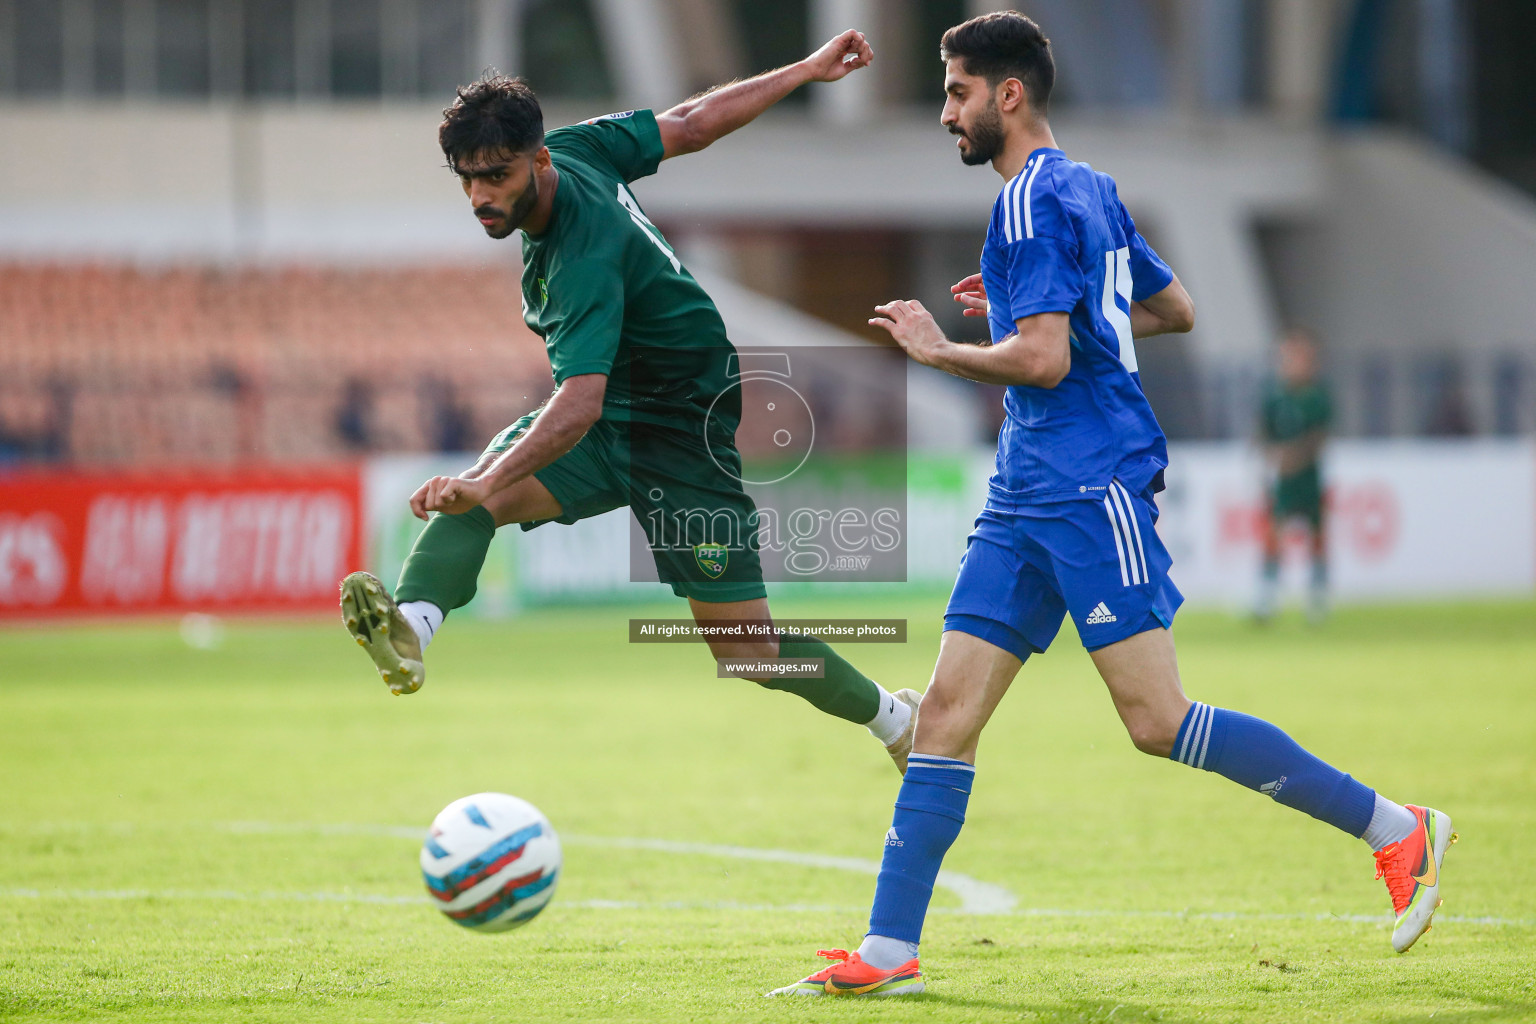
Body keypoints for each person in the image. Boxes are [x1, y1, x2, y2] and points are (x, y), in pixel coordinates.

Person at [769, 12, 1454, 998]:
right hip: (1026, 488)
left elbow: (1045, 359)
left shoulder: (1026, 204)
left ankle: (1399, 829)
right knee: (949, 713)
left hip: (1088, 485)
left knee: (1155, 717)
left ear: (1009, 95)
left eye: (957, 92)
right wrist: (1038, 309)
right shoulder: (1085, 188)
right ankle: (887, 953)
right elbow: (1171, 308)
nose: (945, 113)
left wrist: (943, 348)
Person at [339, 32, 921, 772]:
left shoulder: (580, 254)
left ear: (538, 159)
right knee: (480, 496)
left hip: (683, 432)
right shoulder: (576, 150)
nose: (481, 196)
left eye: (496, 175)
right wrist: (804, 70)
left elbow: (578, 403)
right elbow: (693, 122)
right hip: (619, 412)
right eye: (466, 178)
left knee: (749, 650)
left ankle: (899, 719)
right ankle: (413, 631)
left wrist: (488, 479)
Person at [1255, 329, 1333, 624]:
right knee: (1273, 531)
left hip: (1308, 476)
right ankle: (1267, 597)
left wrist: (1293, 458)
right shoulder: (1274, 396)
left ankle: (1317, 597)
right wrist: (1270, 458)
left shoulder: (1317, 396)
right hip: (1282, 478)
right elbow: (1263, 431)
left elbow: (1319, 437)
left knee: (1317, 535)